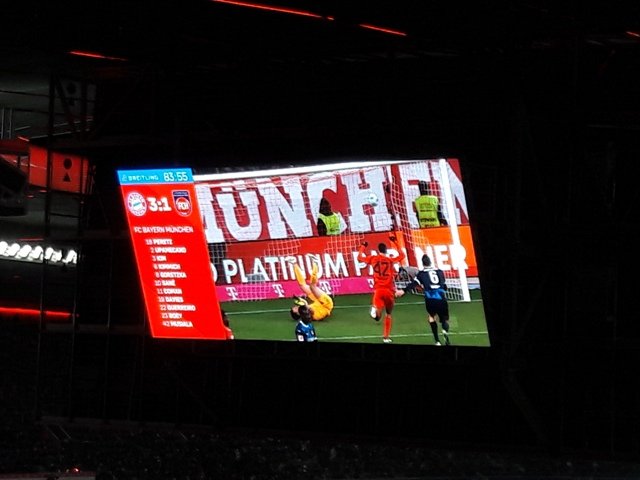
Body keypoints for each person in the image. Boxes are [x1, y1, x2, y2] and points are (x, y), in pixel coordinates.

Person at [357, 235, 406, 343]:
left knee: (378, 317)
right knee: (388, 314)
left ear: (378, 251)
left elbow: (359, 257)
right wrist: (395, 242)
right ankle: (386, 337)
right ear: (386, 251)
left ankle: (375, 309)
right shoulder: (390, 260)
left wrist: (363, 246)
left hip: (378, 291)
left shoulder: (373, 258)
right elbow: (402, 255)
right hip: (388, 291)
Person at [396, 254, 450, 346]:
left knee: (431, 317)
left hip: (430, 299)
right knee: (444, 319)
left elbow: (414, 284)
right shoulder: (440, 272)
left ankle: (437, 341)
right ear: (430, 262)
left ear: (423, 264)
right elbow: (444, 285)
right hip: (441, 298)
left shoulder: (421, 274)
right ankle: (445, 332)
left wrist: (403, 291)